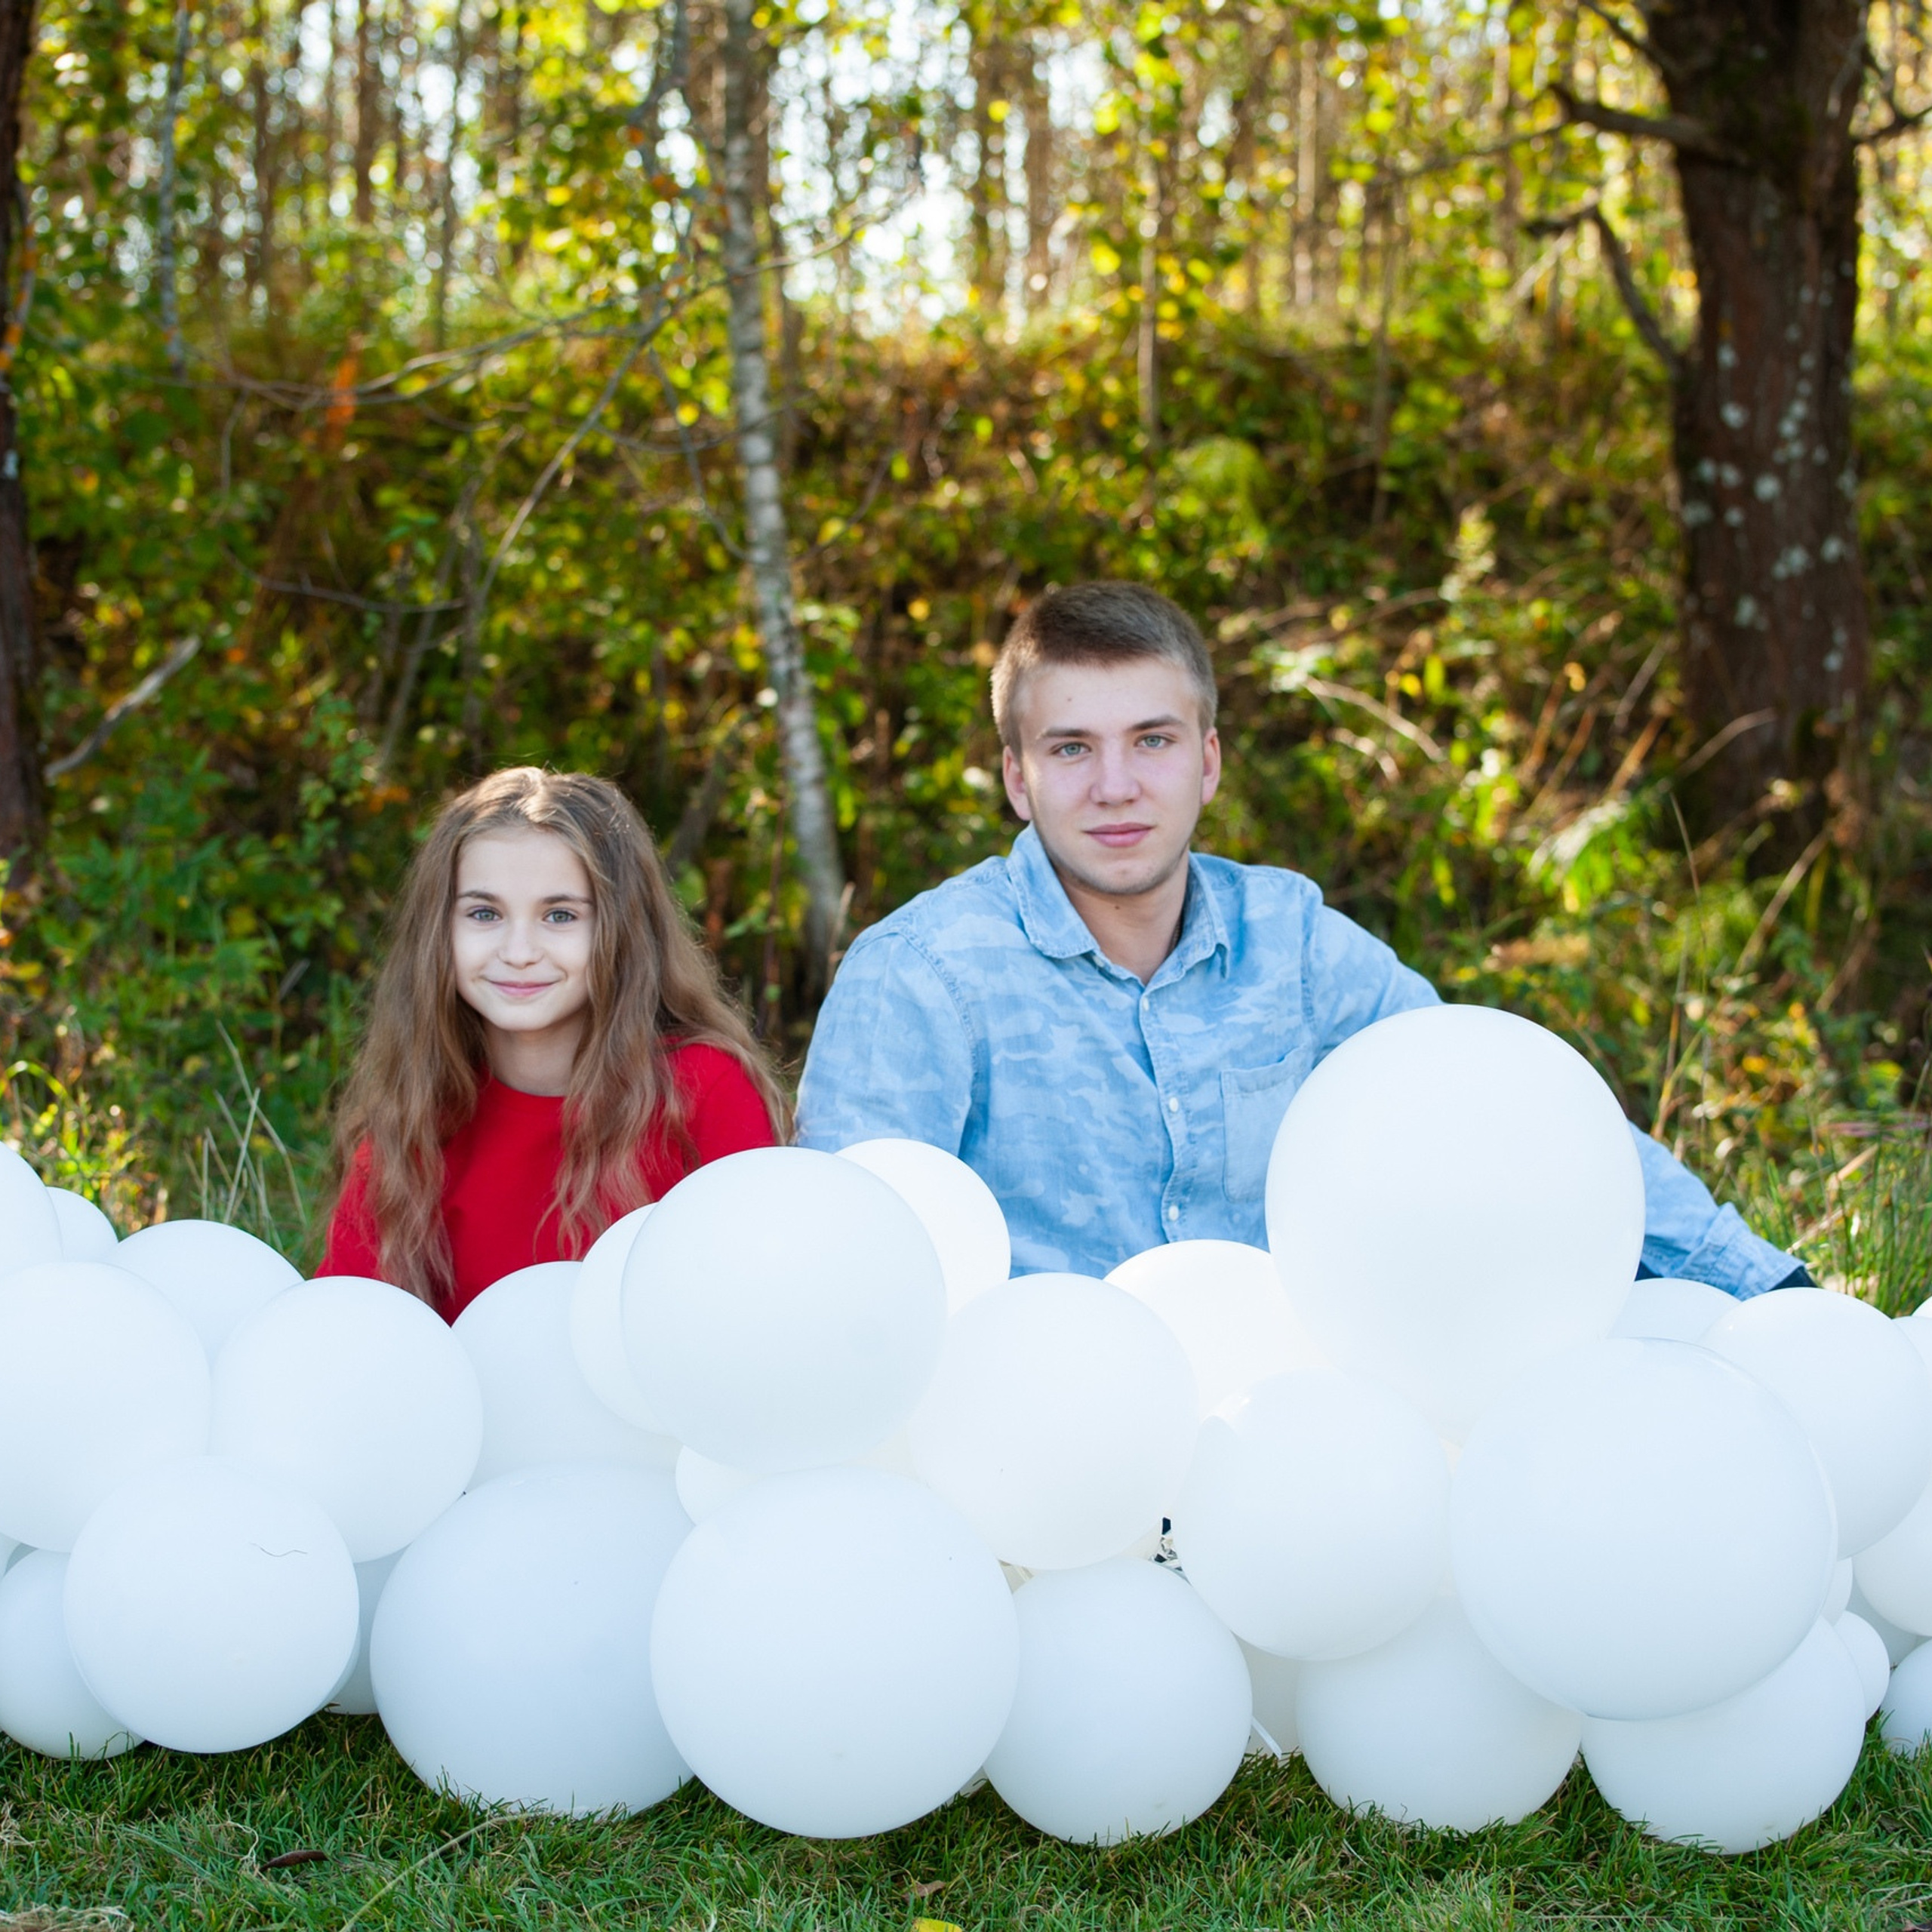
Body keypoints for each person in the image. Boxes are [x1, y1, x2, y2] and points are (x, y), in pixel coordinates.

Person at [797, 581, 1809, 1294]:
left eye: (1152, 741)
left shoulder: (1292, 944)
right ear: (1017, 780)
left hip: (1283, 1461)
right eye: (1072, 749)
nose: (1116, 787)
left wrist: (1769, 1291)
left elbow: (1514, 1109)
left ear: (1209, 762)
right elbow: (850, 1274)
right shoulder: (921, 977)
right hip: (1042, 1475)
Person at [322, 767, 784, 1319]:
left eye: (560, 915)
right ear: (438, 932)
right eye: (484, 913)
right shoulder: (413, 1120)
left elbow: (767, 1312)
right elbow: (344, 1333)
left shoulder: (702, 1092)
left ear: (621, 929)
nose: (519, 951)